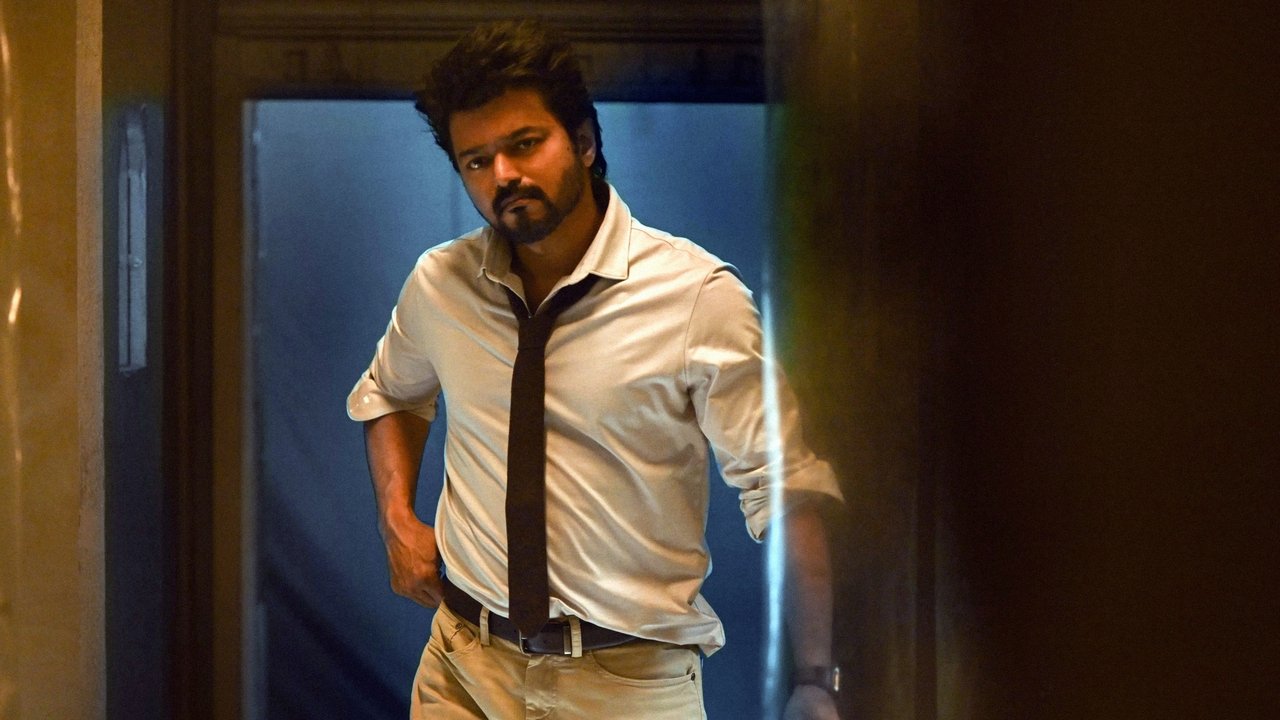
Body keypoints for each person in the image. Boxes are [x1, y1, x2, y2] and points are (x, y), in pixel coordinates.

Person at [347, 19, 843, 720]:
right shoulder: (441, 284)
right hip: (463, 668)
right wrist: (396, 520)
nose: (502, 175)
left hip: (627, 684)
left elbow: (785, 487)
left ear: (583, 141)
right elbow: (390, 394)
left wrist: (816, 678)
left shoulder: (696, 297)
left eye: (524, 144)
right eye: (476, 161)